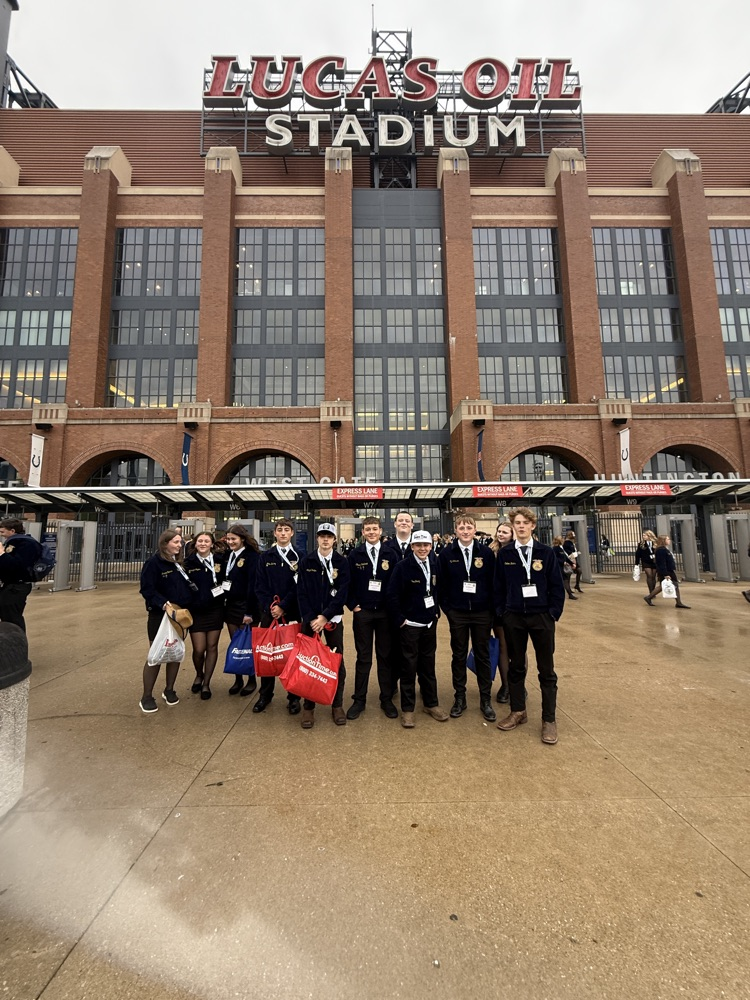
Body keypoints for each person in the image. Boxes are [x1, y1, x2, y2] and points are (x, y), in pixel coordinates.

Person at [495, 507, 566, 745]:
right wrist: (502, 613)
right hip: (514, 617)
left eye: (525, 522)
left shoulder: (545, 553)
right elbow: (499, 586)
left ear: (533, 526)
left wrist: (552, 614)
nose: (521, 526)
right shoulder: (505, 554)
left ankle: (549, 719)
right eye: (517, 522)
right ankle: (518, 711)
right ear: (513, 526)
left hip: (541, 617)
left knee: (546, 670)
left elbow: (557, 585)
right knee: (516, 667)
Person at [386, 530, 449, 728]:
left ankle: (431, 703)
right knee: (408, 667)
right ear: (412, 546)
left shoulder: (435, 563)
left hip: (429, 623)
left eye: (426, 545)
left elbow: (438, 588)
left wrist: (436, 611)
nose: (423, 549)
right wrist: (401, 620)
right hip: (410, 625)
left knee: (428, 665)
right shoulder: (402, 567)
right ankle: (408, 709)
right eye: (418, 545)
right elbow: (392, 595)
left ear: (431, 546)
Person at [438, 514, 497, 722]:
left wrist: (490, 610)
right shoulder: (446, 554)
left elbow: (493, 583)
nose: (465, 531)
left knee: (483, 655)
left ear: (474, 530)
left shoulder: (486, 553)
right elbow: (441, 585)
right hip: (458, 613)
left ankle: (485, 700)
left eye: (468, 527)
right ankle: (460, 698)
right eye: (461, 527)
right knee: (459, 655)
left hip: (482, 613)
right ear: (456, 530)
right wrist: (449, 610)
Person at [296, 523, 350, 728]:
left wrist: (325, 617)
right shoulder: (307, 561)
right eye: (322, 536)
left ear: (335, 539)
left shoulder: (341, 562)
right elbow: (301, 592)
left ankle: (337, 704)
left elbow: (343, 592)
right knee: (309, 663)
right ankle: (308, 708)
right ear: (317, 538)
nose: (325, 540)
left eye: (329, 536)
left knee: (337, 662)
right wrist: (312, 618)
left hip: (332, 620)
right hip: (310, 622)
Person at [138, 528, 197, 714]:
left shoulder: (178, 563)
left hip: (178, 616)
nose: (180, 546)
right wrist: (162, 604)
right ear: (165, 544)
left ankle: (169, 689)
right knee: (156, 654)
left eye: (180, 543)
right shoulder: (153, 563)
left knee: (174, 652)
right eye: (176, 542)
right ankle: (147, 696)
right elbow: (147, 589)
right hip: (160, 615)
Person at [346, 515, 397, 719]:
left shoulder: (390, 554)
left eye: (375, 529)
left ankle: (386, 699)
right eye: (368, 529)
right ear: (363, 532)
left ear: (380, 531)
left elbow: (395, 585)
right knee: (363, 657)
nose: (372, 532)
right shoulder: (354, 555)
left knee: (385, 657)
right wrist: (353, 606)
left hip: (384, 613)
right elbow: (347, 582)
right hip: (363, 612)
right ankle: (359, 700)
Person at [253, 518, 303, 715]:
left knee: (292, 655)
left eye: (286, 530)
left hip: (292, 612)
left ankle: (293, 697)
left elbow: (300, 586)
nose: (283, 533)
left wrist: (283, 606)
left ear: (292, 533)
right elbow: (259, 586)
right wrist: (272, 607)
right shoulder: (265, 557)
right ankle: (265, 694)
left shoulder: (300, 556)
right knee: (268, 654)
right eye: (279, 530)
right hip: (269, 613)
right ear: (274, 533)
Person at [184, 531, 225, 700]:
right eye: (200, 541)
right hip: (197, 611)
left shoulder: (220, 561)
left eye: (206, 541)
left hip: (215, 609)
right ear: (195, 543)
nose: (203, 543)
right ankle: (199, 674)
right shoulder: (188, 563)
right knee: (199, 649)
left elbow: (226, 581)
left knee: (212, 647)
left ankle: (206, 683)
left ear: (212, 544)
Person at [222, 523, 260, 696]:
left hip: (246, 606)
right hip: (230, 606)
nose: (230, 542)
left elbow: (253, 585)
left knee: (247, 645)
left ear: (242, 539)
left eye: (234, 539)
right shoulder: (228, 555)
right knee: (235, 644)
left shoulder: (252, 557)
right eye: (228, 539)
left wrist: (249, 612)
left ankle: (251, 679)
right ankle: (238, 679)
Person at [0, 517, 42, 632]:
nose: (1, 535)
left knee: (12, 618)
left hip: (17, 586)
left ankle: (17, 643)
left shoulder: (25, 544)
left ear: (12, 531)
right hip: (11, 585)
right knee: (7, 615)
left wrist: (2, 554)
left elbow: (16, 565)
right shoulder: (16, 542)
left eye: (3, 532)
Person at [490, 520, 514, 703]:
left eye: (505, 532)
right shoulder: (491, 552)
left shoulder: (518, 551)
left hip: (514, 605)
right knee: (503, 646)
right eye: (499, 531)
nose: (501, 534)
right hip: (495, 606)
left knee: (518, 648)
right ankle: (506, 685)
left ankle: (518, 685)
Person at [644, 535, 690, 609]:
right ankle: (678, 602)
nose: (669, 540)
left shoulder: (664, 549)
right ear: (663, 541)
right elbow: (662, 563)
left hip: (668, 570)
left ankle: (649, 597)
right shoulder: (661, 550)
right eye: (667, 539)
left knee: (664, 586)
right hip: (667, 571)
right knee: (673, 585)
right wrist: (665, 574)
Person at [552, 536, 578, 601]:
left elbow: (565, 557)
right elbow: (555, 558)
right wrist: (562, 562)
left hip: (563, 567)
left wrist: (572, 563)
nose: (563, 540)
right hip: (558, 568)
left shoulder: (561, 548)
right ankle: (569, 594)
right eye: (562, 539)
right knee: (564, 581)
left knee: (565, 580)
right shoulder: (555, 549)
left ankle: (569, 594)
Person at [634, 530, 658, 595]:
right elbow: (638, 554)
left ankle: (653, 590)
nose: (643, 537)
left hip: (654, 561)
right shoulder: (641, 544)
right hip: (646, 561)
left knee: (653, 576)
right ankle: (651, 592)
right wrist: (637, 563)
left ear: (649, 535)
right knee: (649, 575)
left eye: (645, 535)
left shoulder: (655, 543)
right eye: (643, 535)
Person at [563, 529, 584, 593]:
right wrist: (576, 553)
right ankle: (568, 588)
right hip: (570, 560)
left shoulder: (572, 542)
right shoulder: (566, 543)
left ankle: (577, 585)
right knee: (568, 574)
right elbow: (568, 552)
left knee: (579, 571)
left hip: (574, 559)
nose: (574, 535)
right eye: (573, 534)